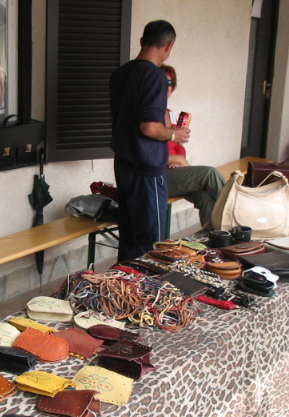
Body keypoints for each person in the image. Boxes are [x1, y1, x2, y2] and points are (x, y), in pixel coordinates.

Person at [109, 20, 191, 261]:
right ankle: (145, 285)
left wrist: (167, 130)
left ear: (142, 41)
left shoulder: (120, 74)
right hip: (147, 171)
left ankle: (124, 283)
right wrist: (174, 134)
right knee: (152, 246)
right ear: (168, 46)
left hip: (124, 165)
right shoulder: (155, 76)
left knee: (129, 239)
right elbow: (149, 127)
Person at [161, 65, 225, 228]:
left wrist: (181, 162)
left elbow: (178, 147)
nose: (165, 86)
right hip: (157, 176)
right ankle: (237, 216)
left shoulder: (170, 113)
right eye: (160, 81)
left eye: (169, 82)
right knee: (209, 173)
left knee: (206, 198)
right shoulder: (149, 115)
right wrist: (177, 159)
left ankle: (214, 237)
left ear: (174, 87)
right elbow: (147, 153)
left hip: (175, 172)